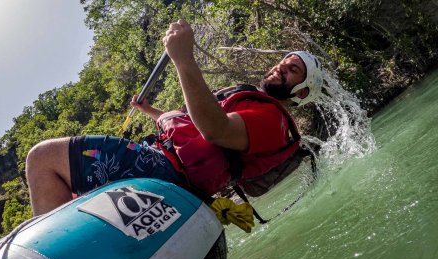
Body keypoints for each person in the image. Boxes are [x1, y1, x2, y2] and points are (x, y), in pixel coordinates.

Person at [26, 19, 323, 216]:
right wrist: (150, 112)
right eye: (284, 62)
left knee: (43, 158)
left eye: (293, 69)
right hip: (169, 164)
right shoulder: (255, 108)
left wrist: (184, 59)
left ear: (300, 93)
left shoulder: (272, 119)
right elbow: (192, 125)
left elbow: (215, 131)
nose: (281, 67)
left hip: (167, 171)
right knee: (71, 191)